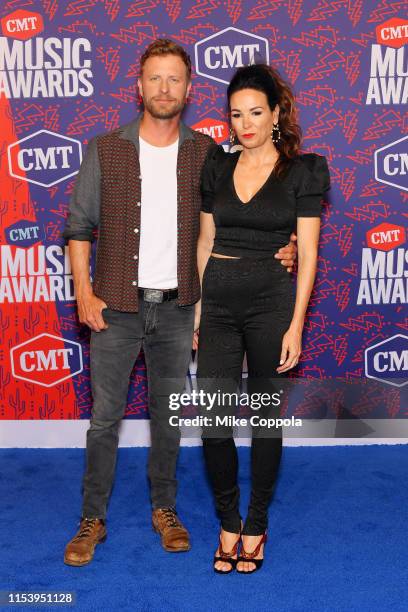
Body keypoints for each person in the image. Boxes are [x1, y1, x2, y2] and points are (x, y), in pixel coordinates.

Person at [62, 39, 297, 567]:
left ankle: (165, 509)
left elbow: (239, 220)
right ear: (138, 85)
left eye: (174, 79)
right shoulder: (105, 149)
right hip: (115, 308)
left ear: (189, 90)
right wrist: (83, 291)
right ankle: (92, 519)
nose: (164, 88)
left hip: (177, 311)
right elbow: (78, 228)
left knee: (168, 419)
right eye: (154, 78)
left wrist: (288, 245)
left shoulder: (207, 156)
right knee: (104, 420)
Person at [196, 63, 330, 574]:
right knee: (213, 420)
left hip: (273, 304)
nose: (245, 123)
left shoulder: (303, 170)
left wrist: (297, 323)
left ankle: (255, 524)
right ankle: (227, 518)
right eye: (235, 114)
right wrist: (198, 313)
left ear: (276, 113)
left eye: (256, 112)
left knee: (265, 420)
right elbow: (205, 244)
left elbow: (310, 254)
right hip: (219, 305)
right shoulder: (216, 167)